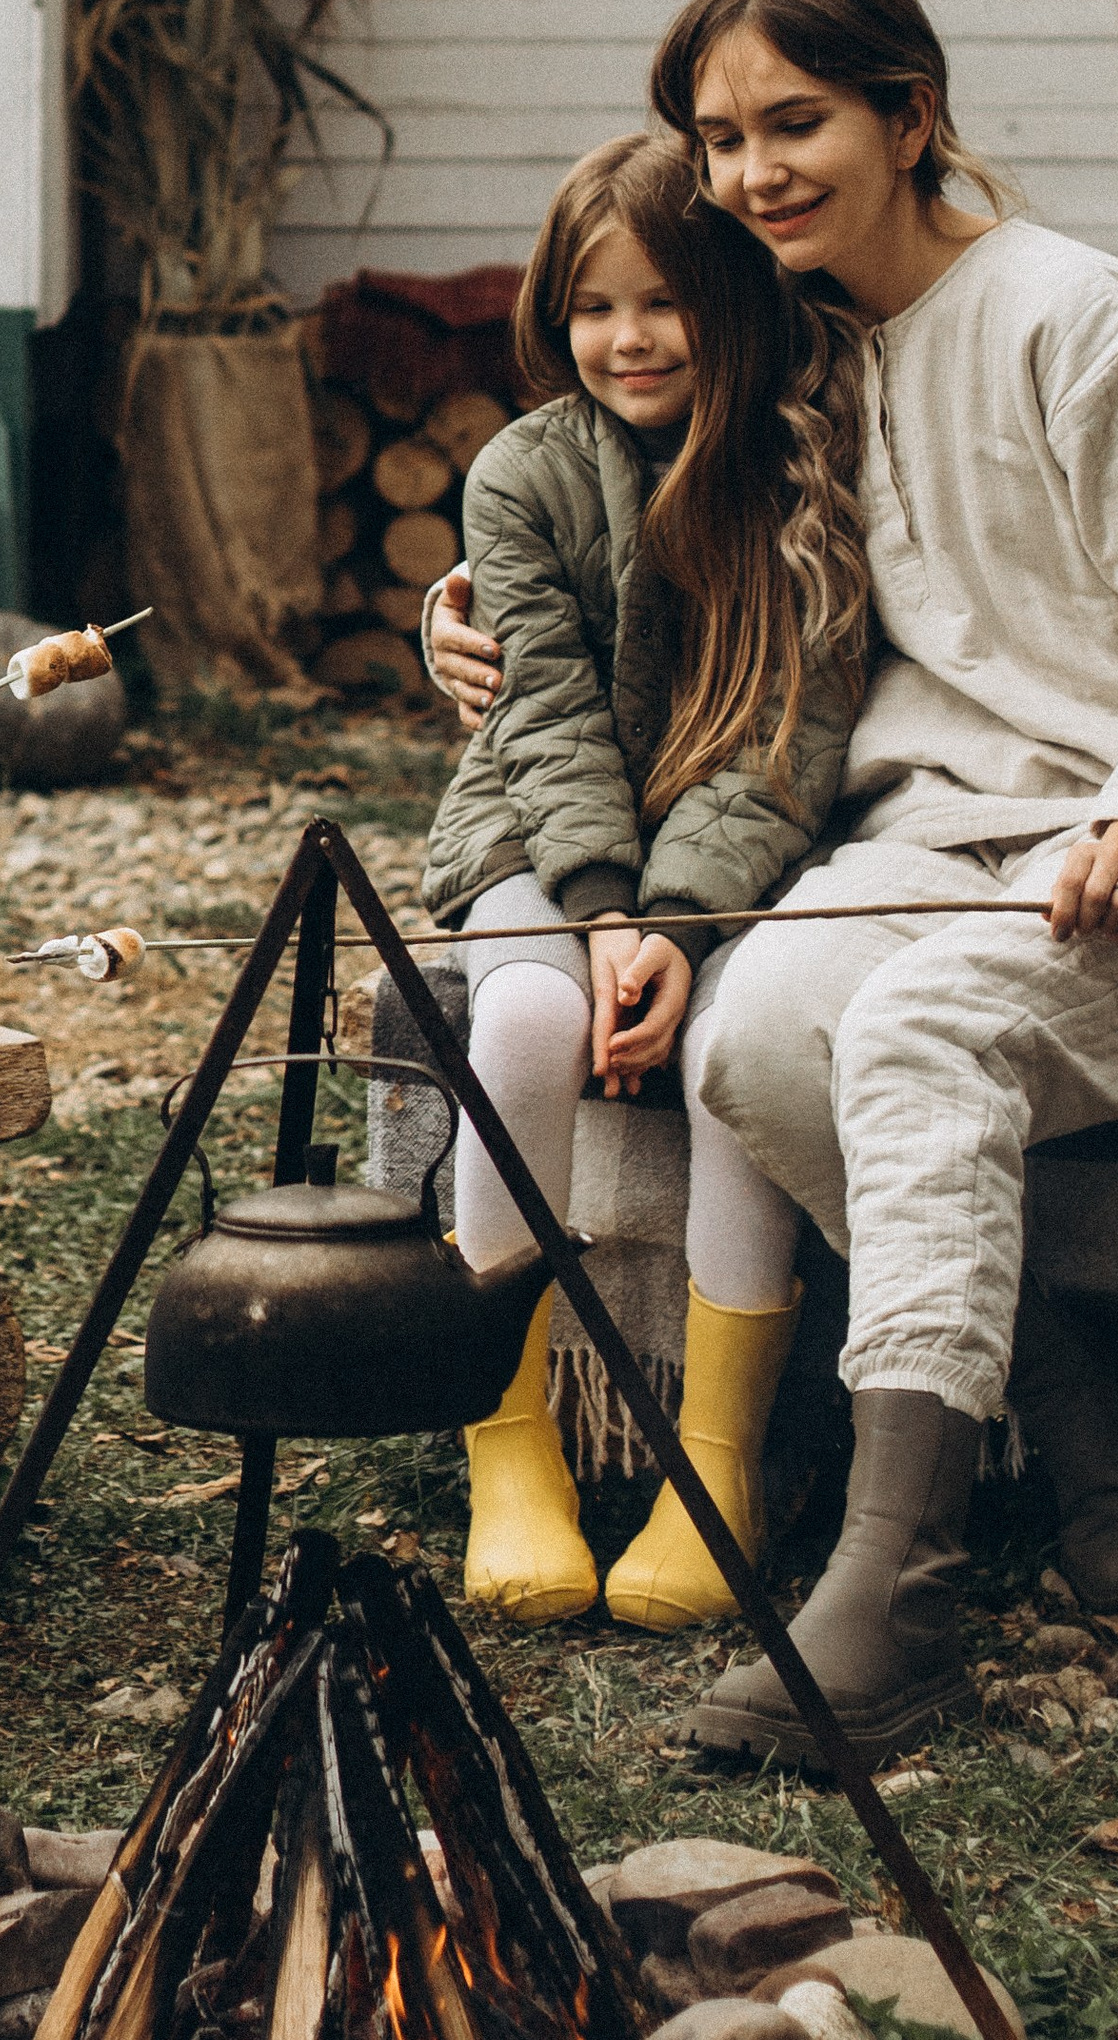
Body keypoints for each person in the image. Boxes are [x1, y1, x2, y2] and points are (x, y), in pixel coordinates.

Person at [449, 0, 1118, 1767]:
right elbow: (640, 559)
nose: (756, 169)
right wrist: (460, 616)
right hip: (946, 837)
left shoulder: (1064, 314)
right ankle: (1098, 1442)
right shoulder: (802, 341)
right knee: (755, 1037)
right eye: (722, 134)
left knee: (919, 1031)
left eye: (798, 121)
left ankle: (891, 1585)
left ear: (907, 114)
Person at [424, 134, 858, 1636]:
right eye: (596, 305)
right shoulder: (524, 470)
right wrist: (606, 913)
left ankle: (715, 1464)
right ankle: (509, 1441)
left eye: (665, 302)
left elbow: (789, 731)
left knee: (742, 1051)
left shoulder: (801, 472)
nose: (629, 339)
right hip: (540, 832)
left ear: (734, 299)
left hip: (743, 863)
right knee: (529, 1029)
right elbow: (538, 708)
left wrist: (674, 929)